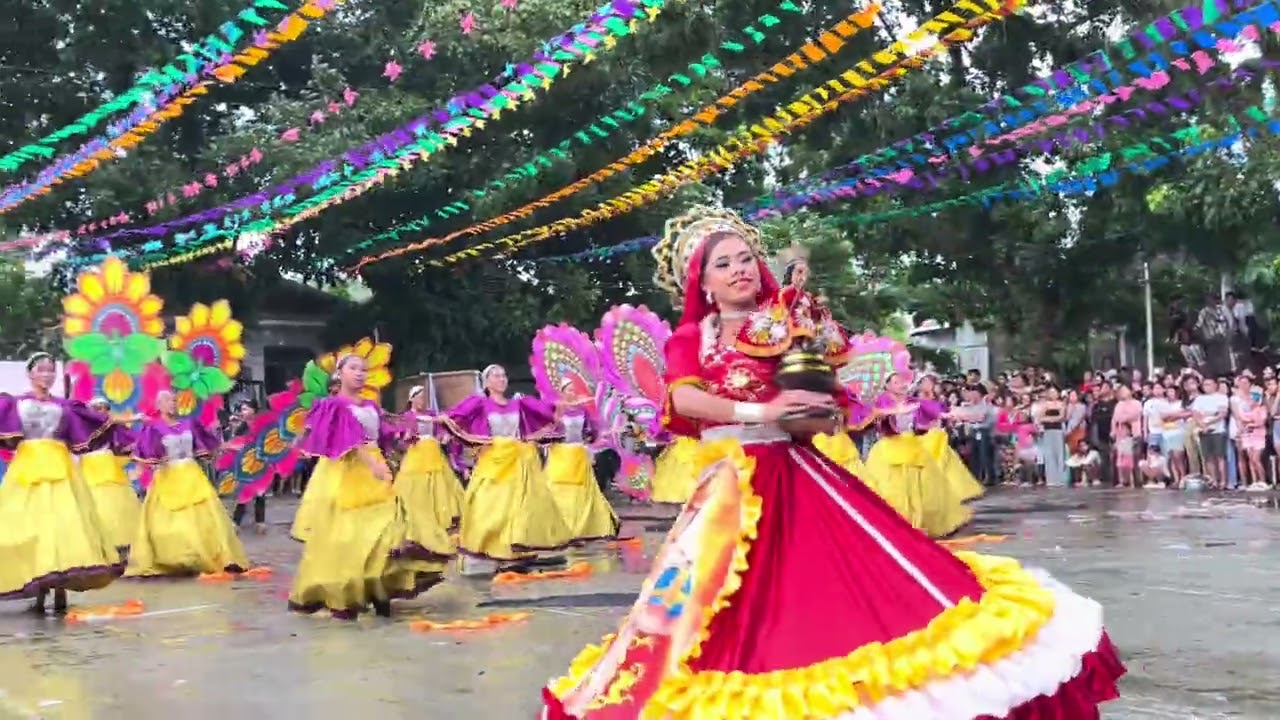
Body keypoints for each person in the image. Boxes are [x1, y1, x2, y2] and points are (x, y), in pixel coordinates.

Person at [539, 207, 1125, 718]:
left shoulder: (791, 325)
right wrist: (761, 409)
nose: (740, 269)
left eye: (746, 258)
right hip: (726, 489)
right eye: (724, 264)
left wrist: (809, 408)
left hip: (799, 477)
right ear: (704, 283)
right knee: (704, 618)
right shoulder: (695, 336)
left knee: (847, 600)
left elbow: (825, 405)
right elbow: (683, 398)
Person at [288, 355, 453, 618]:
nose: (360, 374)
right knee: (350, 533)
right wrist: (369, 462)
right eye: (354, 368)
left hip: (377, 469)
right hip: (347, 473)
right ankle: (351, 589)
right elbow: (345, 437)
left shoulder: (371, 406)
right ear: (339, 373)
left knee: (389, 527)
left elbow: (382, 434)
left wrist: (401, 441)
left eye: (364, 370)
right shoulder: (332, 405)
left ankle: (380, 587)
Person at [0, 353, 125, 613]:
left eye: (51, 371)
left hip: (60, 467)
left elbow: (96, 421)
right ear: (31, 373)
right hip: (28, 468)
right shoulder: (16, 403)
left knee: (63, 525)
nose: (47, 375)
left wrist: (127, 419)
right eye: (42, 370)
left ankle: (59, 589)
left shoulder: (65, 406)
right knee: (32, 527)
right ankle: (38, 587)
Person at [440, 364, 574, 570]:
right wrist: (444, 419)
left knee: (518, 506)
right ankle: (492, 547)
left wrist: (559, 406)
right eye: (496, 376)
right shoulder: (481, 403)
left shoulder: (517, 403)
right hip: (494, 461)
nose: (502, 379)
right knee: (491, 504)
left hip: (518, 461)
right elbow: (459, 414)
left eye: (504, 375)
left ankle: (516, 548)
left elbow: (543, 412)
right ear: (487, 382)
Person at [125, 390, 250, 578]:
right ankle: (175, 557)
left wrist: (225, 447)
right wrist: (144, 468)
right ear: (158, 405)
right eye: (167, 401)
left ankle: (209, 555)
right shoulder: (154, 428)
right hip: (168, 476)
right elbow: (146, 456)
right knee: (170, 521)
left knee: (205, 517)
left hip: (192, 475)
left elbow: (207, 446)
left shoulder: (189, 423)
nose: (172, 404)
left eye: (174, 400)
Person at [543, 378, 620, 542]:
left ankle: (584, 527)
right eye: (568, 389)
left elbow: (591, 431)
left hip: (578, 453)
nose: (572, 393)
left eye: (574, 389)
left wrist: (595, 439)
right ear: (562, 392)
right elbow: (548, 430)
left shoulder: (582, 411)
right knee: (559, 489)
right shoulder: (555, 409)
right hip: (561, 454)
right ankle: (560, 526)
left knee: (583, 491)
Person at [395, 385, 464, 531]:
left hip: (433, 450)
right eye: (419, 397)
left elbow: (440, 430)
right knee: (416, 481)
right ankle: (417, 512)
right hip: (417, 451)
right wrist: (406, 437)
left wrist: (443, 436)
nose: (422, 400)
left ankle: (442, 513)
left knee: (440, 480)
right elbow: (401, 436)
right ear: (412, 399)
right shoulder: (407, 416)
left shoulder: (431, 414)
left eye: (423, 397)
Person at [80, 397, 141, 553]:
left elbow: (126, 442)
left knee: (116, 506)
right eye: (97, 408)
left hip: (108, 467)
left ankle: (118, 543)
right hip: (89, 468)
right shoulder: (84, 427)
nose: (101, 411)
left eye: (104, 408)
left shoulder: (112, 426)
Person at [228, 400, 268, 534]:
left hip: (260, 463)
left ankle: (260, 522)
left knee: (260, 493)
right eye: (242, 410)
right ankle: (236, 522)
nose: (242, 412)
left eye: (245, 409)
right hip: (245, 464)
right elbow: (235, 444)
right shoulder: (241, 427)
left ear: (253, 410)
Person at [1191, 377, 1230, 489]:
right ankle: (1213, 480)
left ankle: (1223, 481)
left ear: (1215, 385)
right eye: (1205, 385)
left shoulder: (1221, 397)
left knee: (1220, 457)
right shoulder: (1199, 399)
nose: (1206, 387)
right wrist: (1202, 424)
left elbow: (1222, 414)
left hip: (1218, 430)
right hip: (1203, 430)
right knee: (1208, 457)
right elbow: (1195, 413)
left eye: (1209, 384)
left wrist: (1208, 421)